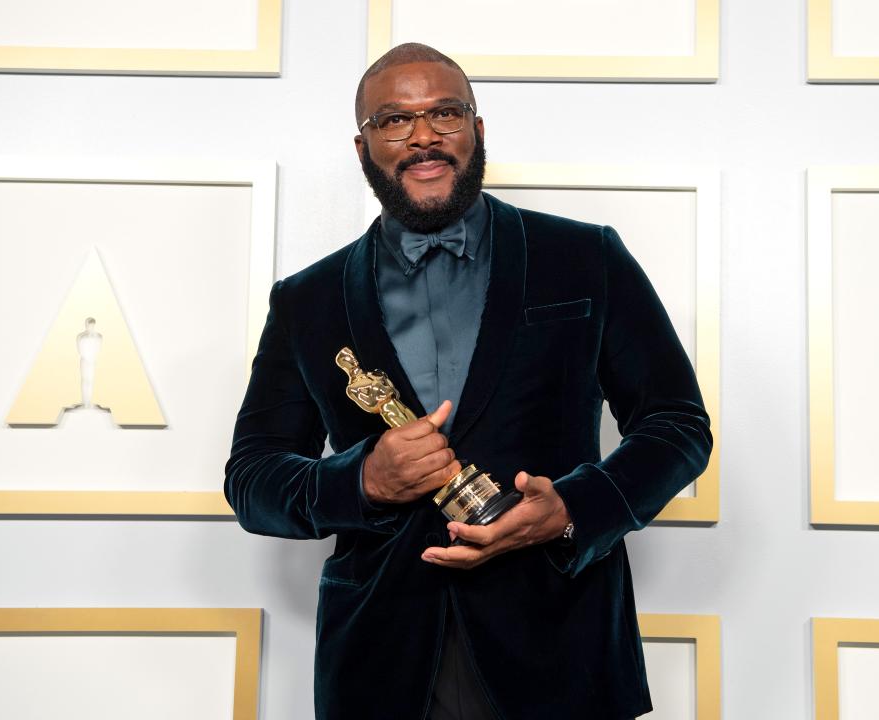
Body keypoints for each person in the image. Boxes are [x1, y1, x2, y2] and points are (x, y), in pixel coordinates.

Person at [225, 43, 712, 720]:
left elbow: (678, 426)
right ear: (363, 148)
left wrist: (573, 509)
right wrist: (363, 480)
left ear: (477, 131)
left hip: (562, 649)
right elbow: (251, 479)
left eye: (444, 113)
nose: (423, 137)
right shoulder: (307, 300)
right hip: (379, 663)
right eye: (394, 121)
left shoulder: (585, 257)